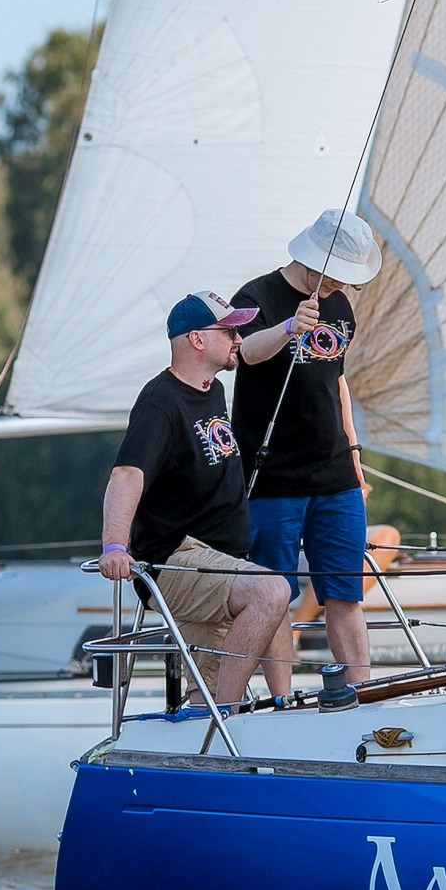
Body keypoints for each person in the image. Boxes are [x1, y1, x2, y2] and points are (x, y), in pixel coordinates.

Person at [99, 291, 296, 710]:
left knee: (274, 599)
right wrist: (114, 545)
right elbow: (127, 474)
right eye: (229, 330)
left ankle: (280, 708)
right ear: (197, 340)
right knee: (271, 591)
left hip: (220, 562)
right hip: (177, 559)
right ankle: (225, 722)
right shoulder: (160, 402)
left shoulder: (213, 390)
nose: (239, 337)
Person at [229, 207, 381, 683]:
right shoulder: (256, 297)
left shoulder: (340, 307)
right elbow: (244, 354)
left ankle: (362, 693)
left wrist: (354, 455)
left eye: (348, 279)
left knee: (345, 591)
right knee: (275, 594)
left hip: (334, 473)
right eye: (337, 275)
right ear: (314, 259)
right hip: (273, 476)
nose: (341, 286)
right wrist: (288, 328)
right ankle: (281, 699)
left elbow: (337, 383)